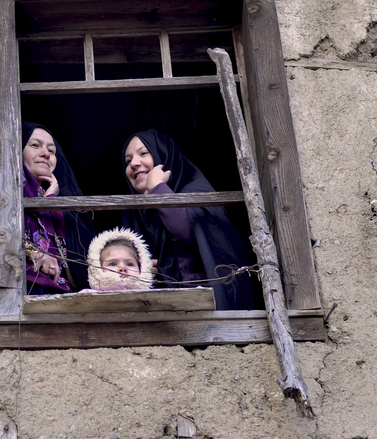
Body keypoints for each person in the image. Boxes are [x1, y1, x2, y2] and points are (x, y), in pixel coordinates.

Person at [121, 129, 256, 310]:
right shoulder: (133, 213)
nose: (134, 164)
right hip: (159, 313)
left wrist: (158, 188)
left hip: (207, 307)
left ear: (165, 156)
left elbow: (186, 232)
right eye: (128, 161)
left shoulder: (197, 191)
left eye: (144, 153)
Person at [21, 122, 93, 295]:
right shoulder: (6, 193)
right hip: (26, 293)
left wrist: (50, 201)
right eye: (35, 145)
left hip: (66, 297)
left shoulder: (57, 200)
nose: (45, 153)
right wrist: (34, 254)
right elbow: (0, 235)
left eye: (51, 151)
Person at [85, 227, 153, 291]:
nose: (122, 268)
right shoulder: (87, 296)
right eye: (113, 264)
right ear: (98, 269)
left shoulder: (152, 296)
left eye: (130, 264)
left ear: (141, 268)